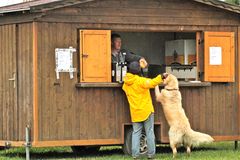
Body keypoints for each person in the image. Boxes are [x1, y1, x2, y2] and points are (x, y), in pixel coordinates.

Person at [122, 61, 168, 159]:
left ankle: (135, 155)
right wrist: (161, 76)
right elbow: (152, 83)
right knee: (149, 132)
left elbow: (129, 85)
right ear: (139, 71)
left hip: (135, 112)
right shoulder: (141, 81)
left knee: (136, 133)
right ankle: (151, 155)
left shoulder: (125, 84)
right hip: (146, 111)